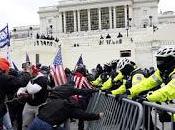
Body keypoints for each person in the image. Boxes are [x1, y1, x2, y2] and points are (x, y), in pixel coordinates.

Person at [27, 86, 103, 130]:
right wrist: (97, 116)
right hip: (47, 126)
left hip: (36, 121)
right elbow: (83, 115)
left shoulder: (56, 101)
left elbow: (41, 108)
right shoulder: (70, 108)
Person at [17, 65, 48, 130]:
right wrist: (19, 93)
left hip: (39, 106)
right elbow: (23, 87)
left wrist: (27, 79)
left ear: (35, 73)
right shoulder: (30, 78)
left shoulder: (42, 79)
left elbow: (31, 90)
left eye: (30, 74)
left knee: (39, 125)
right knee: (25, 124)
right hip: (29, 104)